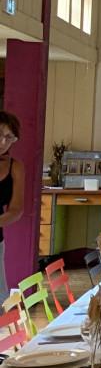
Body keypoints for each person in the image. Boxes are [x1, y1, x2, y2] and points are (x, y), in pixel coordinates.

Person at [0, 111, 25, 287]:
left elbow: (16, 210)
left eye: (9, 138)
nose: (3, 143)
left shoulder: (15, 167)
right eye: (0, 135)